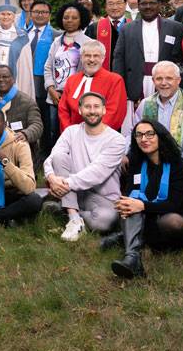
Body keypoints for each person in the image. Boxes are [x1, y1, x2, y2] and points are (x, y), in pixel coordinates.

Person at [109, 120, 183, 279]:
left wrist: (141, 205)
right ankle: (132, 258)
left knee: (174, 222)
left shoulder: (179, 166)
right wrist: (129, 204)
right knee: (129, 202)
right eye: (139, 135)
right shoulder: (136, 162)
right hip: (145, 218)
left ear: (160, 136)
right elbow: (128, 193)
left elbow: (174, 205)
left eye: (149, 134)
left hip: (170, 225)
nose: (144, 139)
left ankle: (125, 237)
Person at [43, 92, 125, 241]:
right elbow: (51, 158)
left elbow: (98, 172)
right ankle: (74, 219)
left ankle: (64, 210)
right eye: (87, 107)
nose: (92, 111)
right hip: (74, 191)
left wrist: (63, 184)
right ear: (80, 110)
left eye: (96, 107)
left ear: (104, 110)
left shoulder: (117, 140)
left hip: (102, 197)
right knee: (59, 157)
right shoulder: (71, 132)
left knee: (104, 222)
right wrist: (51, 177)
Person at [128, 61, 183, 187]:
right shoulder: (146, 104)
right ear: (153, 80)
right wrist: (124, 154)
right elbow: (133, 134)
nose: (164, 83)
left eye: (169, 78)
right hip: (151, 163)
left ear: (178, 80)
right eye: (159, 79)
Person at [113, 0, 183, 119]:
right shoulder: (126, 28)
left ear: (159, 5)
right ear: (138, 6)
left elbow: (180, 57)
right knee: (136, 120)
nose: (148, 7)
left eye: (152, 3)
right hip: (135, 81)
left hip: (164, 80)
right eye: (143, 4)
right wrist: (119, 83)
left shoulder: (175, 27)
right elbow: (118, 57)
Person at [45, 2, 92, 140]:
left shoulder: (88, 43)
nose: (69, 21)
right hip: (56, 96)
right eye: (66, 17)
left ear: (81, 20)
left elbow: (90, 70)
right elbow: (48, 68)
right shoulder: (56, 42)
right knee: (55, 132)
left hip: (78, 94)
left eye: (74, 17)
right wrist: (51, 89)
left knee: (76, 131)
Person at [56, 40, 127, 132]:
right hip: (73, 135)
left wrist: (92, 133)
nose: (92, 59)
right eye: (87, 56)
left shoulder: (115, 80)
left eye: (96, 56)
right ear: (81, 58)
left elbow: (114, 113)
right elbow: (63, 110)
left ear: (103, 58)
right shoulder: (72, 80)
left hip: (101, 137)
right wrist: (70, 133)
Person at [28, 0, 55, 159]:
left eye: (44, 12)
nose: (40, 15)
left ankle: (44, 156)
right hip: (24, 81)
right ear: (30, 14)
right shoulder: (22, 33)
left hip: (43, 85)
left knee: (44, 122)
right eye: (36, 11)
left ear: (49, 15)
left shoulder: (56, 34)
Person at [84, 0, 131, 72]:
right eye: (111, 4)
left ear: (125, 5)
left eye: (119, 3)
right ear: (105, 6)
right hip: (100, 77)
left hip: (129, 78)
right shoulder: (94, 28)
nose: (115, 7)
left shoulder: (135, 27)